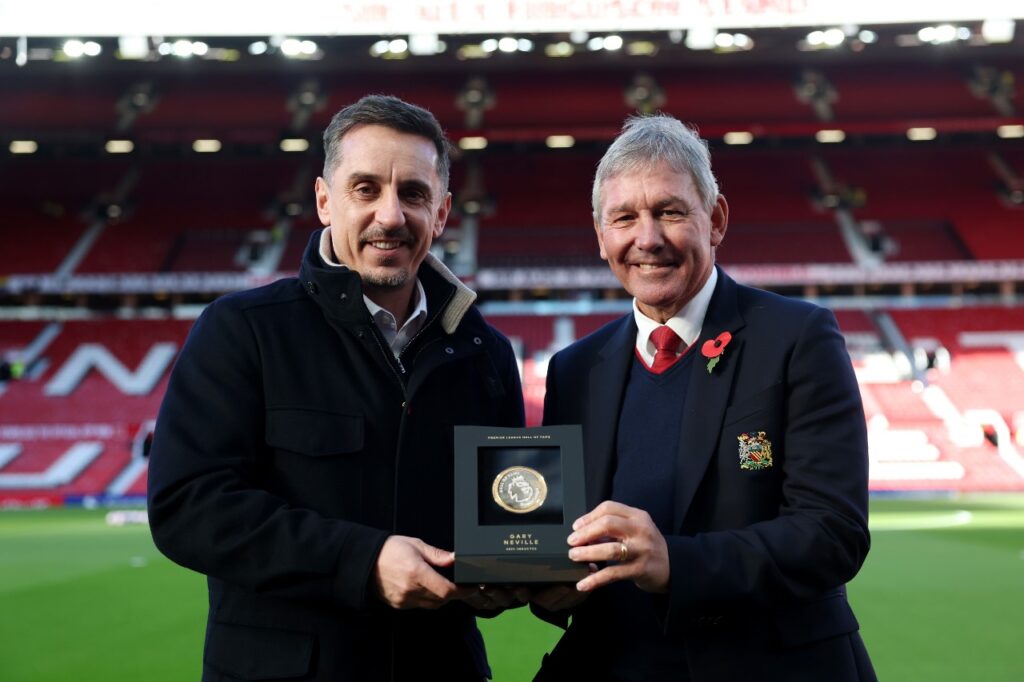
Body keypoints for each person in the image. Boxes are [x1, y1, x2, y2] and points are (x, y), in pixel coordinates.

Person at [147, 95, 525, 681]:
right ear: (325, 200)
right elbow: (188, 506)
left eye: (414, 194)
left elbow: (505, 518)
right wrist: (364, 561)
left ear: (443, 212)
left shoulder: (487, 355)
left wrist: (520, 570)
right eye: (366, 189)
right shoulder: (243, 330)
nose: (391, 216)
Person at [531, 114, 876, 681]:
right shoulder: (574, 370)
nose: (647, 239)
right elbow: (569, 545)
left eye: (669, 211)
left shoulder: (797, 338)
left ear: (715, 220)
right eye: (624, 218)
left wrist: (676, 563)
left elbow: (832, 533)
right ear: (600, 237)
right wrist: (546, 586)